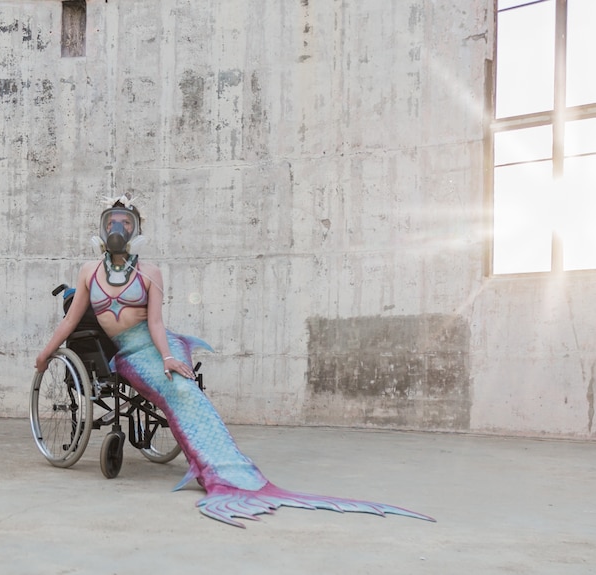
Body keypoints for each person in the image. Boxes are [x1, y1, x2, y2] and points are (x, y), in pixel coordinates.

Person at [36, 194, 434, 527]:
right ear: (102, 227)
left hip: (156, 345)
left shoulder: (152, 271)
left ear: (136, 230)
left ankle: (228, 473)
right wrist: (45, 353)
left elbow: (156, 323)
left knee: (182, 388)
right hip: (125, 353)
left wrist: (170, 356)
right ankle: (222, 474)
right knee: (177, 393)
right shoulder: (89, 272)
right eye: (112, 221)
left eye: (126, 222)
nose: (118, 229)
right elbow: (72, 319)